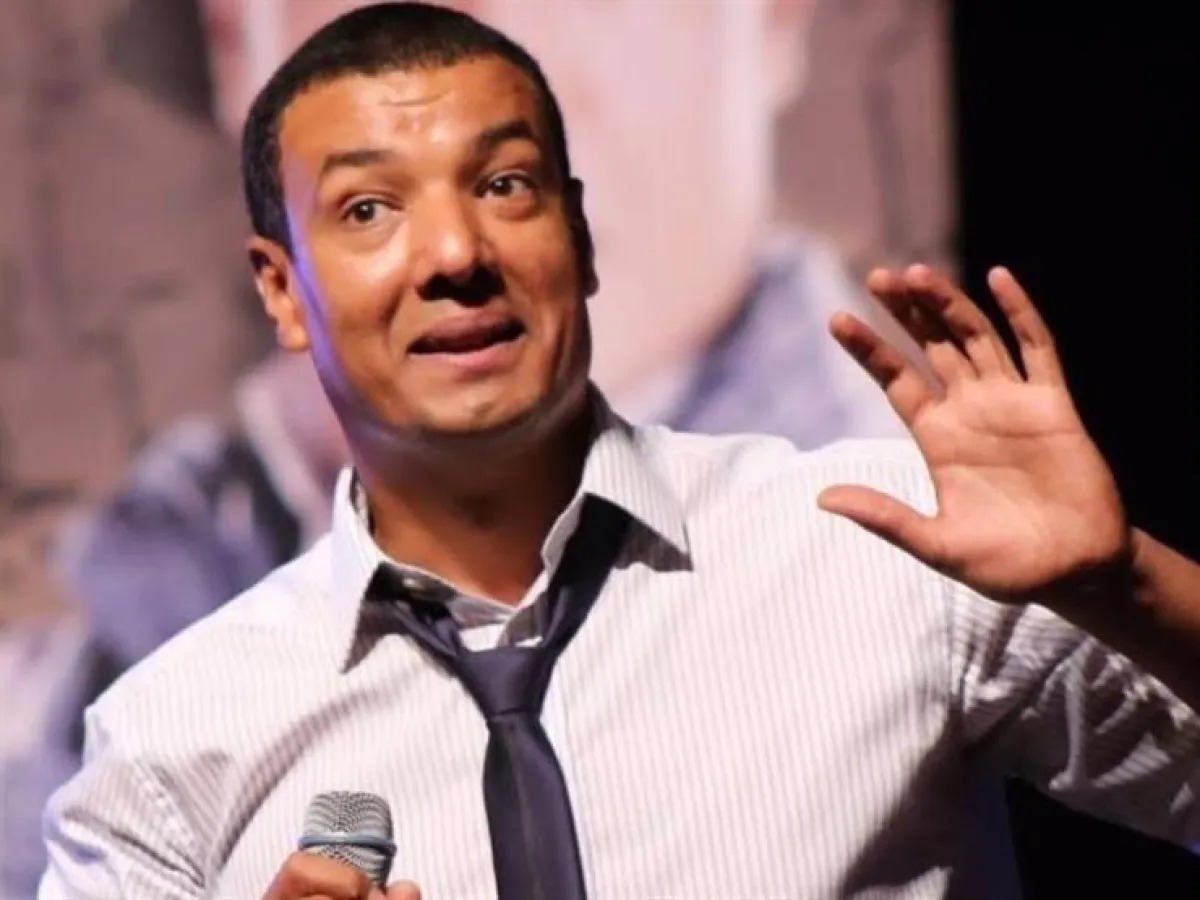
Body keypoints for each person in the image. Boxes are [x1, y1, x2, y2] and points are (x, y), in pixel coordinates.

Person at [34, 6, 1200, 899]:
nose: (455, 254)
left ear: (578, 238)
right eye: (369, 210)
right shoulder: (168, 742)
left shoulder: (886, 540)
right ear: (284, 291)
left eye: (505, 184)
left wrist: (1125, 584)